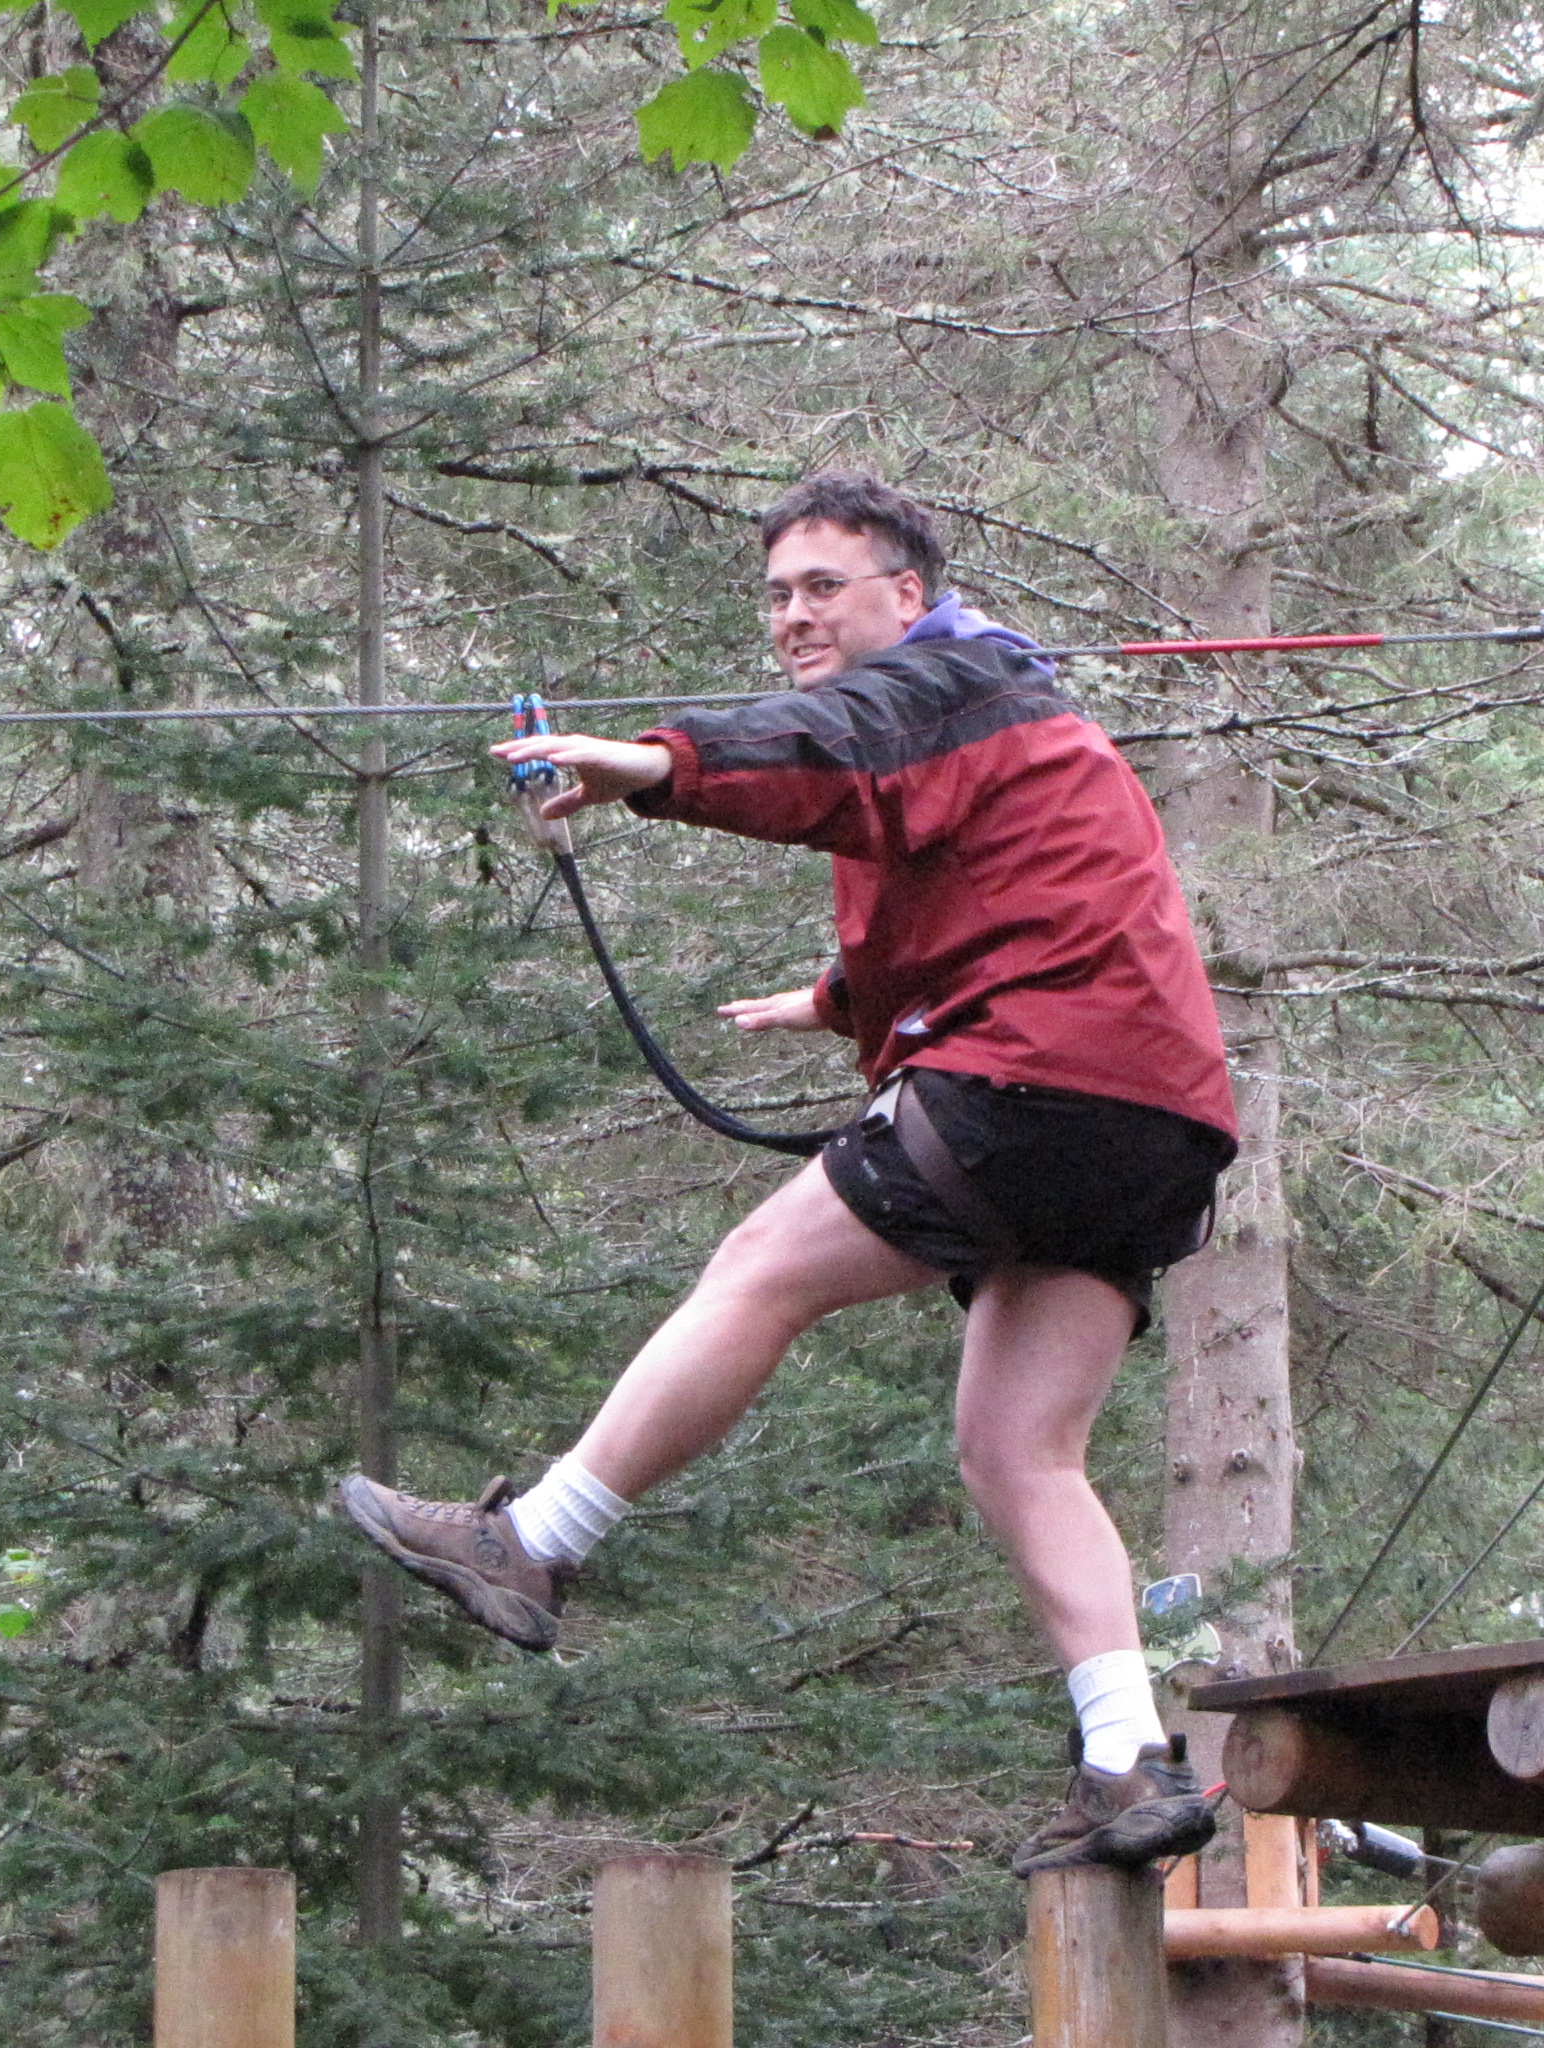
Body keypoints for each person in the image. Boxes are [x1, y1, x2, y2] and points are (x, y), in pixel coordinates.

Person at [336, 474, 1237, 1876]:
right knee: (1018, 1449)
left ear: (908, 595)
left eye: (825, 586)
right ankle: (1129, 1759)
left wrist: (656, 766)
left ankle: (534, 1543)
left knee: (760, 1272)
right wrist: (837, 1002)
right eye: (777, 595)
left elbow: (823, 752)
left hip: (1040, 1087)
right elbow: (1014, 890)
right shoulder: (997, 719)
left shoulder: (945, 684)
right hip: (1151, 1130)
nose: (794, 616)